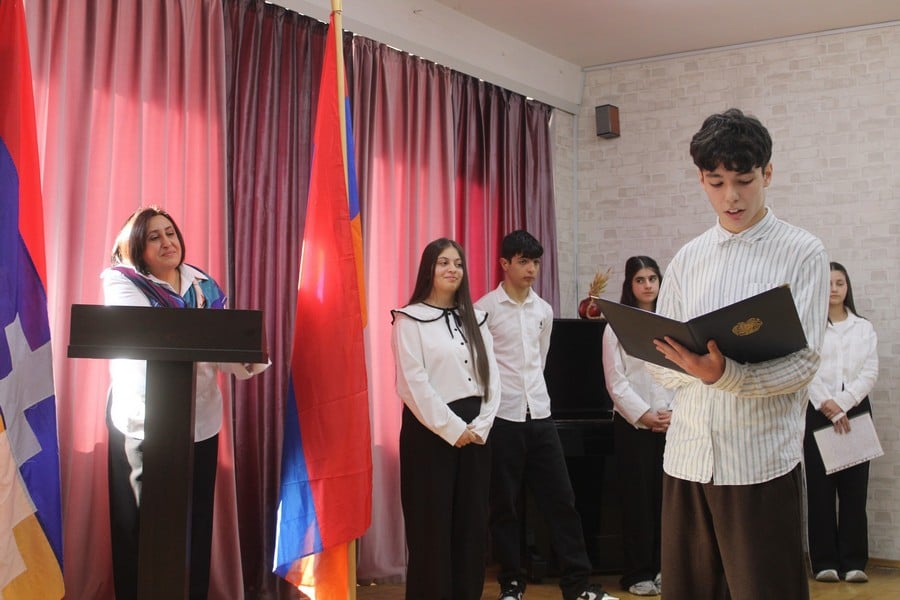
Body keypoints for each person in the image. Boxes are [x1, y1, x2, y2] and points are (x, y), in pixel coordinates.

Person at [648, 108, 829, 599]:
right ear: (701, 180)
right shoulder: (687, 258)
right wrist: (691, 368)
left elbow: (804, 363)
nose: (731, 196)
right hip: (686, 458)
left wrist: (724, 374)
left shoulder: (802, 251)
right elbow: (658, 358)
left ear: (767, 174)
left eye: (744, 181)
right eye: (716, 182)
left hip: (759, 463)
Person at [103, 207, 267, 599]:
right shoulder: (121, 281)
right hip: (143, 423)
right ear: (137, 247)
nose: (167, 242)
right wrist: (217, 336)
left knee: (194, 522)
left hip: (200, 422)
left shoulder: (203, 284)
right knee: (141, 525)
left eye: (170, 233)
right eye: (154, 237)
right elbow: (159, 335)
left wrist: (245, 358)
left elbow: (220, 344)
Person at [475, 230, 616, 600]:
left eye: (536, 262)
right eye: (523, 261)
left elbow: (541, 358)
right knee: (504, 506)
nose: (532, 269)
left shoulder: (544, 310)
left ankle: (578, 585)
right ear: (505, 264)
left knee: (562, 500)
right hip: (502, 419)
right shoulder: (484, 309)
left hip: (540, 414)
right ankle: (511, 583)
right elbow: (480, 367)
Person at [390, 238, 501, 600]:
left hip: (476, 433)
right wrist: (453, 429)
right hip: (430, 432)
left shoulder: (477, 318)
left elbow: (493, 378)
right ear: (429, 269)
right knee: (431, 528)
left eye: (458, 263)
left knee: (472, 527)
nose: (453, 269)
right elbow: (412, 384)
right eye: (443, 263)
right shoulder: (409, 320)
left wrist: (482, 424)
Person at [601, 256, 672, 597]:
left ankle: (663, 568)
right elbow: (616, 382)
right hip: (633, 426)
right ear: (630, 285)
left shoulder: (671, 322)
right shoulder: (615, 327)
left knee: (667, 502)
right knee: (637, 502)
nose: (647, 285)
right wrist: (644, 415)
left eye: (652, 278)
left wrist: (672, 414)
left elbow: (682, 373)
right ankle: (637, 573)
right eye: (640, 279)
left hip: (671, 426)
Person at [804, 262, 878, 584]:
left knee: (854, 491)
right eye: (829, 283)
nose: (834, 289)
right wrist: (829, 406)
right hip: (818, 411)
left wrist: (844, 404)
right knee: (820, 492)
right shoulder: (809, 329)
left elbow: (870, 371)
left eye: (840, 283)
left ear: (848, 287)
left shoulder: (863, 327)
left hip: (856, 409)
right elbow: (806, 370)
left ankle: (854, 562)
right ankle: (824, 563)